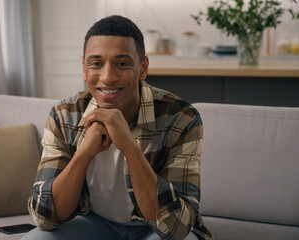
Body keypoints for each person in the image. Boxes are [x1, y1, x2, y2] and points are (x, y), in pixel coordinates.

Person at [24, 15, 213, 240]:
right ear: (84, 69)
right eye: (96, 64)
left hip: (155, 230)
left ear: (143, 68)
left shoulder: (182, 118)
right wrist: (83, 154)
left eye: (122, 64)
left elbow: (176, 226)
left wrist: (129, 146)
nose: (108, 77)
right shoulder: (64, 116)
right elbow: (45, 217)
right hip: (95, 224)